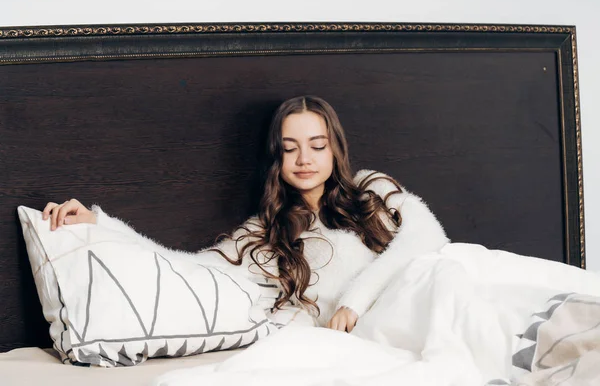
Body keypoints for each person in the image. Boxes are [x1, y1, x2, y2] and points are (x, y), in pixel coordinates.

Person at [41, 95, 449, 333]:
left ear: (335, 149)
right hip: (394, 331)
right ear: (276, 158)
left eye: (317, 145)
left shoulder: (371, 189)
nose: (304, 159)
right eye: (290, 148)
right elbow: (186, 269)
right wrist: (102, 224)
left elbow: (430, 240)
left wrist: (355, 301)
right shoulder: (266, 238)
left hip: (439, 292)